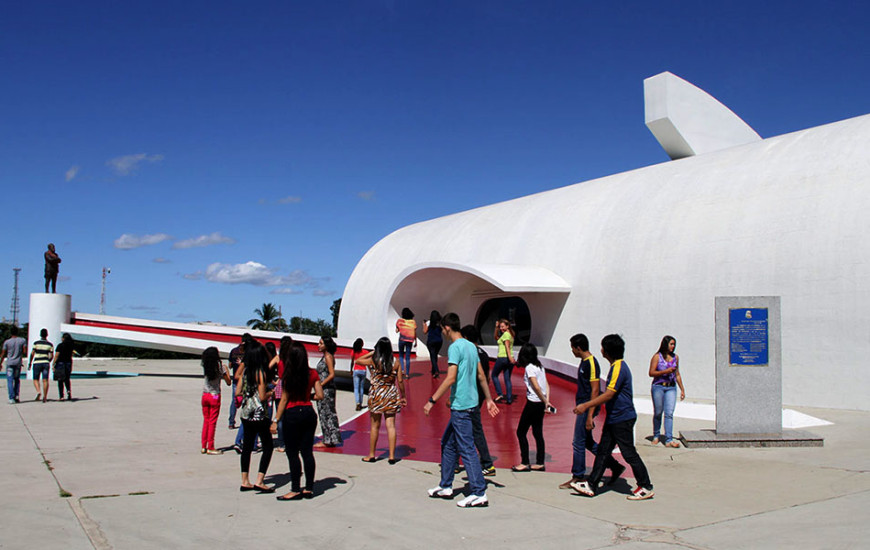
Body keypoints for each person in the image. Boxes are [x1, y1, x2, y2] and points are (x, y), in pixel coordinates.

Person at [424, 312, 499, 508]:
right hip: (472, 404)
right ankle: (446, 485)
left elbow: (450, 378)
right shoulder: (471, 347)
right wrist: (489, 399)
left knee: (466, 448)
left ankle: (478, 491)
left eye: (442, 329)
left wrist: (432, 400)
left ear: (447, 328)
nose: (442, 332)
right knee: (448, 444)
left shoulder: (455, 348)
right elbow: (482, 376)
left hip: (462, 407)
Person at [572, 334, 655, 501]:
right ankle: (592, 485)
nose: (601, 350)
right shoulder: (616, 367)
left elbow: (609, 394)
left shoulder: (618, 368)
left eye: (603, 347)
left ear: (607, 351)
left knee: (628, 453)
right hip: (614, 418)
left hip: (622, 418)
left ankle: (645, 485)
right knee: (603, 451)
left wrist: (586, 406)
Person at [559, 333, 624, 489]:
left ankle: (578, 475)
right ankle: (614, 466)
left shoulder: (591, 364)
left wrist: (589, 415)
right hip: (583, 406)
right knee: (587, 442)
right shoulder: (584, 362)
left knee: (578, 442)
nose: (572, 351)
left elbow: (595, 391)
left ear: (578, 348)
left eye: (573, 348)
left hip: (586, 406)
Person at [272, 342, 323, 500]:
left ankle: (295, 488)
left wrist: (275, 420)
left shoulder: (288, 376)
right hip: (308, 412)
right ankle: (309, 488)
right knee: (307, 452)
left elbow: (284, 399)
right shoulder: (312, 373)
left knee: (292, 453)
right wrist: (308, 397)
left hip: (292, 414)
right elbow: (320, 395)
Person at [357, 337, 406, 464]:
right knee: (391, 425)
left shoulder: (374, 361)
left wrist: (372, 352)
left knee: (375, 426)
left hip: (377, 393)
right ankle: (391, 455)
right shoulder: (395, 362)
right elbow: (400, 381)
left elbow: (358, 360)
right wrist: (403, 396)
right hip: (390, 393)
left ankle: (372, 454)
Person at [235, 341, 275, 493]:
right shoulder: (261, 373)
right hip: (259, 413)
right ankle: (260, 480)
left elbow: (238, 392)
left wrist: (248, 395)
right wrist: (271, 392)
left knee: (247, 447)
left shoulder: (246, 372)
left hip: (246, 413)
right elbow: (263, 396)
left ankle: (245, 480)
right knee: (268, 447)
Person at [459, 325, 496, 477]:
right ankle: (454, 461)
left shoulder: (469, 353)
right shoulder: (484, 353)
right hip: (480, 394)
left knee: (468, 427)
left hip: (468, 395)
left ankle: (486, 462)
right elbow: (487, 376)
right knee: (468, 427)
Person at [511, 343, 552, 472]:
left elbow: (536, 386)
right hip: (540, 404)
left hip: (533, 403)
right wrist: (546, 401)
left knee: (521, 432)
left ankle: (525, 462)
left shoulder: (529, 368)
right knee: (537, 432)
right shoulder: (540, 366)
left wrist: (544, 400)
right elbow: (546, 384)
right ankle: (540, 462)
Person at [649, 335, 686, 448]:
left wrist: (682, 389)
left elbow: (677, 374)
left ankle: (669, 439)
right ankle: (656, 434)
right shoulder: (657, 357)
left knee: (669, 413)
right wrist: (665, 371)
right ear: (665, 344)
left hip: (671, 387)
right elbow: (651, 373)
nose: (673, 346)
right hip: (659, 386)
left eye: (674, 344)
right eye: (671, 344)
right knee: (658, 412)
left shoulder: (676, 357)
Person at [200, 346, 231, 454]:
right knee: (212, 422)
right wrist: (226, 371)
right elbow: (228, 382)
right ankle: (211, 446)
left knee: (206, 421)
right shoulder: (220, 366)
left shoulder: (206, 366)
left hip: (205, 395)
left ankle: (204, 445)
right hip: (215, 396)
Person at [314, 336, 342, 447]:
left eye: (321, 343)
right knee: (324, 412)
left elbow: (331, 374)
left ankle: (329, 439)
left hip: (326, 389)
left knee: (327, 413)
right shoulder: (325, 356)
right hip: (323, 388)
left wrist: (321, 384)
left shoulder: (328, 357)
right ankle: (329, 438)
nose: (319, 345)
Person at [272, 336, 293, 452]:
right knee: (290, 415)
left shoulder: (278, 358)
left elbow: (268, 367)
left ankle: (282, 443)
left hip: (280, 384)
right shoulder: (292, 358)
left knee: (280, 416)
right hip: (290, 383)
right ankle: (291, 441)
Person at [490, 319, 516, 404]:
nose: (501, 328)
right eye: (500, 327)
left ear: (507, 326)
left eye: (503, 326)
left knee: (494, 375)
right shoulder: (510, 334)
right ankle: (508, 399)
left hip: (503, 357)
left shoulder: (506, 334)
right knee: (507, 379)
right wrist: (496, 328)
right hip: (508, 358)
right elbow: (496, 338)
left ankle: (500, 393)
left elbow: (507, 346)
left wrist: (509, 357)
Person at [1, 326, 27, 404]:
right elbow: (24, 351)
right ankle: (16, 396)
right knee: (17, 380)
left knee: (10, 380)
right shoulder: (22, 340)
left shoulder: (7, 342)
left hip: (10, 363)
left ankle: (11, 398)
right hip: (18, 363)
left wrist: (0, 362)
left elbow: (3, 353)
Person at [28, 328, 54, 403]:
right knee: (45, 380)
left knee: (36, 379)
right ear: (47, 335)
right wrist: (48, 361)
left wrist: (30, 362)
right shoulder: (50, 344)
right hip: (45, 362)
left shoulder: (36, 343)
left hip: (37, 362)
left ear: (40, 334)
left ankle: (39, 391)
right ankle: (45, 397)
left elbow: (32, 353)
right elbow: (51, 355)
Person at [227, 335, 247, 430]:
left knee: (234, 402)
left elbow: (230, 365)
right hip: (245, 380)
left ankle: (231, 422)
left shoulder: (234, 351)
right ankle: (245, 421)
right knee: (246, 401)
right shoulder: (248, 352)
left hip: (236, 380)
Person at [395, 307, 417, 379]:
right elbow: (414, 332)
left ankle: (402, 370)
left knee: (401, 355)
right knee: (408, 357)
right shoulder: (413, 322)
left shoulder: (400, 321)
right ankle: (407, 374)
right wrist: (415, 341)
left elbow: (397, 330)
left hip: (402, 339)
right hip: (410, 340)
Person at [52, 333, 74, 401]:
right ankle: (68, 391)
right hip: (68, 363)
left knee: (60, 380)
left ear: (63, 338)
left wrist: (53, 363)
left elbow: (56, 355)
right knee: (67, 379)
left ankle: (61, 396)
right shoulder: (71, 346)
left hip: (60, 363)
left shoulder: (60, 345)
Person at [423, 310, 443, 379]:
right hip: (439, 341)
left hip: (431, 341)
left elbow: (425, 331)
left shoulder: (429, 323)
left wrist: (424, 325)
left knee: (432, 356)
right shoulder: (440, 323)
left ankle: (436, 370)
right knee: (435, 355)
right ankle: (433, 370)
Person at [350, 338, 367, 411]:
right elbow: (368, 362)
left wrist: (351, 370)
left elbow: (352, 362)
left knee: (356, 388)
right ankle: (361, 402)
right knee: (361, 387)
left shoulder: (353, 351)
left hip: (356, 370)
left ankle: (357, 403)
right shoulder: (365, 352)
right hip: (363, 370)